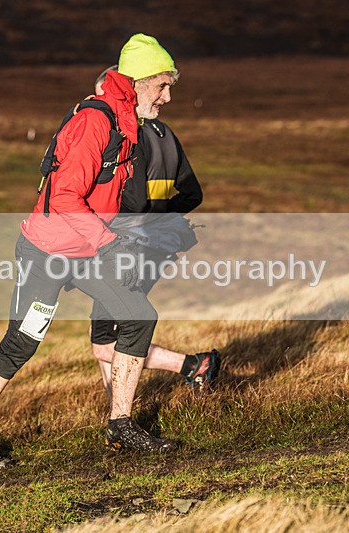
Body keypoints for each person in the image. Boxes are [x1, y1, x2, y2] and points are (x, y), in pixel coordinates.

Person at [0, 34, 183, 473]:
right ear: (135, 82)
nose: (167, 97)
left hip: (88, 250)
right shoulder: (95, 122)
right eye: (161, 87)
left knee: (139, 315)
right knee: (22, 342)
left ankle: (121, 425)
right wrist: (110, 244)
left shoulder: (125, 123)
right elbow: (65, 197)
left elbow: (113, 194)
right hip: (48, 253)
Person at [89, 64, 220, 401]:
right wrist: (162, 220)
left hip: (126, 246)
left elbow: (130, 203)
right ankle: (115, 411)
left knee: (106, 341)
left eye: (103, 96)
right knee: (107, 333)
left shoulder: (126, 136)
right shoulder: (166, 134)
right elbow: (193, 195)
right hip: (158, 244)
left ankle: (194, 365)